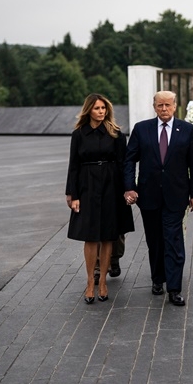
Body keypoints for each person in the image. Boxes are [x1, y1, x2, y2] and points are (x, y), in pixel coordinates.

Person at [124, 91, 193, 306]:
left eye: (168, 105)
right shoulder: (142, 129)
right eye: (160, 105)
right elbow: (129, 160)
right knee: (155, 241)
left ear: (175, 106)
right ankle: (157, 278)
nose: (164, 109)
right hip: (148, 196)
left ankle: (174, 288)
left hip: (176, 197)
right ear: (154, 107)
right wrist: (129, 188)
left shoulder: (187, 131)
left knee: (173, 240)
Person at [65, 93, 134, 304]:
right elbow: (73, 165)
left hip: (111, 186)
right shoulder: (79, 134)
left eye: (103, 108)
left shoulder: (116, 134)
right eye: (97, 108)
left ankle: (103, 280)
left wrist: (127, 190)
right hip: (87, 186)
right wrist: (72, 194)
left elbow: (124, 164)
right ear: (89, 110)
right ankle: (89, 281)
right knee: (90, 236)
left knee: (108, 236)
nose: (101, 111)